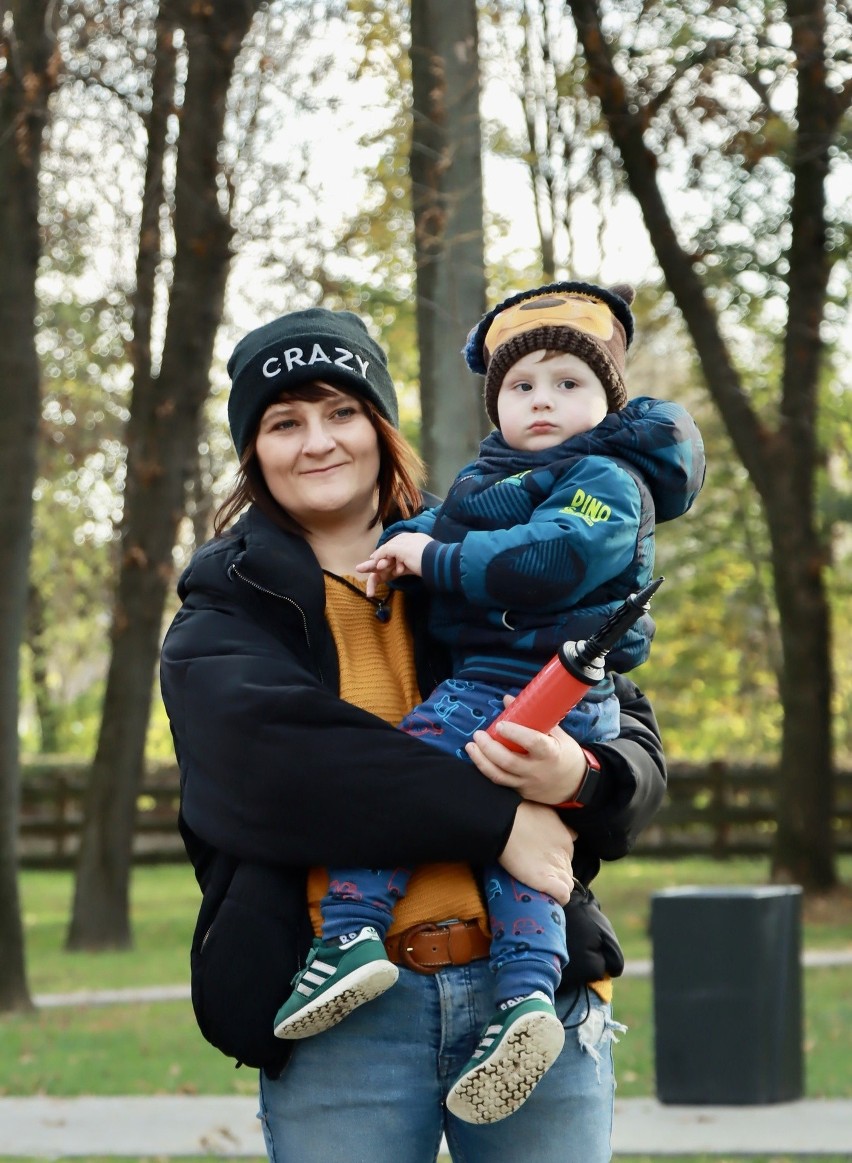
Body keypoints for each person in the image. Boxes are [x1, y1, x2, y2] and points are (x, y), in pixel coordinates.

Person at [159, 304, 670, 1163]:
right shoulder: (223, 613)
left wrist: (579, 779)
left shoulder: (487, 554)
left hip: (531, 985)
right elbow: (293, 772)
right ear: (255, 452)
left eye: (342, 411)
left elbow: (635, 743)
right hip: (346, 1014)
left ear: (381, 427)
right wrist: (505, 820)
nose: (317, 440)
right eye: (285, 421)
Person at [270, 284, 705, 1124]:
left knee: (408, 761)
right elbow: (453, 522)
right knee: (521, 856)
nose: (543, 399)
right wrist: (411, 544)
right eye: (522, 386)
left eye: (568, 383)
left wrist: (428, 558)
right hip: (512, 686)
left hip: (533, 683)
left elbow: (543, 559)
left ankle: (351, 929)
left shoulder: (603, 481)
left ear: (607, 400)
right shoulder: (498, 477)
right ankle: (529, 996)